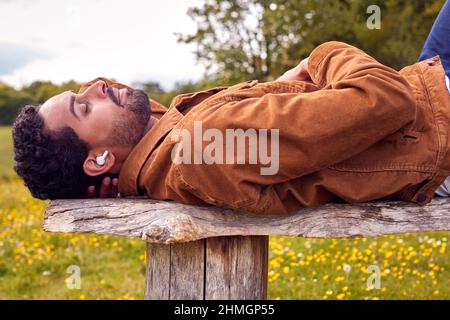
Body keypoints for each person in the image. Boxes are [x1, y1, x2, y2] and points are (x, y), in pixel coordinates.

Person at [11, 14, 450, 216]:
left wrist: (110, 178)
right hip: (436, 124)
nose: (97, 87)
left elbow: (125, 112)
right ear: (100, 161)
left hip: (429, 98)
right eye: (84, 105)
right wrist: (320, 55)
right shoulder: (205, 144)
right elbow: (387, 99)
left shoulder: (166, 146)